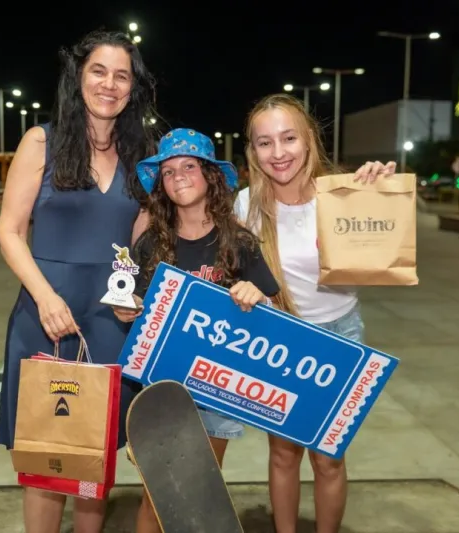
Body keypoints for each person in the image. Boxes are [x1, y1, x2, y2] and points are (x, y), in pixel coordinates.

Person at [0, 30, 156, 533]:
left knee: (93, 453)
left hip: (109, 319)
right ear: (78, 78)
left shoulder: (140, 154)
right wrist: (45, 298)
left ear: (132, 88)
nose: (110, 84)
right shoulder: (41, 141)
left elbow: (139, 241)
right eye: (98, 71)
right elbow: (9, 231)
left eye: (122, 75)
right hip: (48, 315)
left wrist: (136, 292)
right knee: (45, 457)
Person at [234, 93, 396, 533]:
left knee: (328, 458)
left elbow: (383, 248)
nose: (278, 152)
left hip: (340, 336)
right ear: (253, 150)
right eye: (265, 142)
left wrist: (381, 192)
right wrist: (243, 289)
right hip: (278, 337)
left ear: (309, 138)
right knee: (283, 454)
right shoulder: (245, 206)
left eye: (288, 138)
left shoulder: (345, 194)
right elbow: (231, 272)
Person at [112, 128, 281, 533]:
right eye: (168, 171)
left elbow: (271, 314)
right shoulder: (150, 244)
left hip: (217, 388)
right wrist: (126, 309)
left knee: (200, 492)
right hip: (161, 390)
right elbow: (129, 304)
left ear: (210, 175)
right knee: (158, 494)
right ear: (161, 185)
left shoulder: (239, 242)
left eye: (189, 166)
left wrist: (256, 296)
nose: (179, 177)